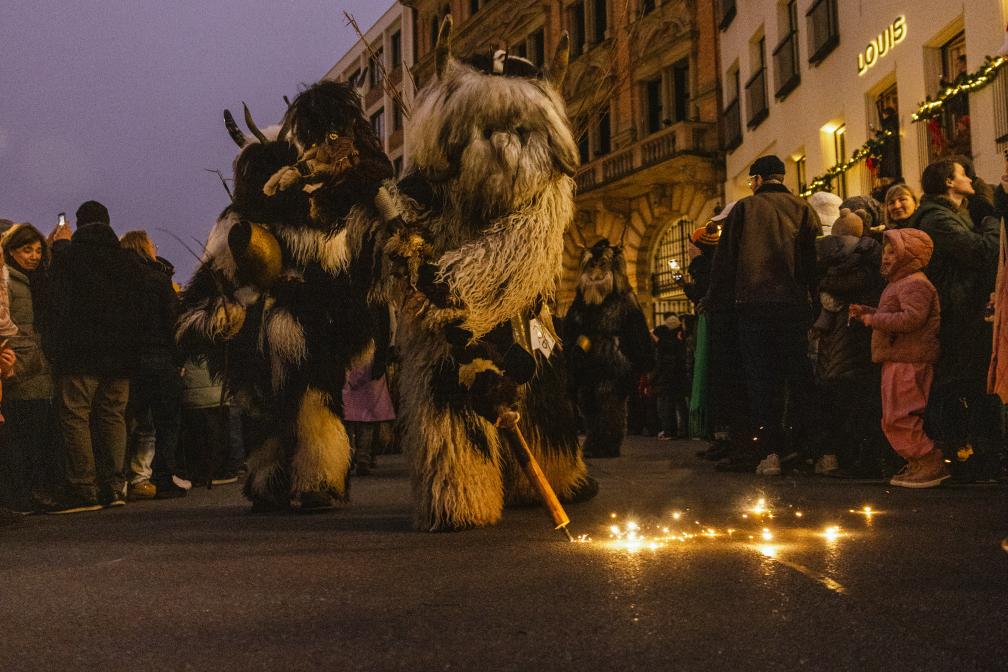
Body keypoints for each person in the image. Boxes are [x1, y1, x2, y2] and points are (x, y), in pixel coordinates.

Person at [704, 155, 820, 476]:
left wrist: (715, 302)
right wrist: (815, 305)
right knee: (798, 378)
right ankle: (809, 450)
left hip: (753, 307)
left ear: (756, 179)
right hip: (794, 307)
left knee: (761, 382)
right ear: (782, 178)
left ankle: (770, 451)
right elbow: (812, 264)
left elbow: (725, 262)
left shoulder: (745, 209)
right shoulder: (804, 209)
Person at [44, 201, 141, 513]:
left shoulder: (69, 255)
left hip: (80, 351)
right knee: (114, 416)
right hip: (121, 353)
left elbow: (57, 303)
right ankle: (116, 486)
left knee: (76, 416)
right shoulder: (126, 259)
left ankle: (83, 486)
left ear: (77, 223)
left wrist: (59, 247)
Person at [910, 159, 1000, 480]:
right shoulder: (936, 218)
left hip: (964, 310)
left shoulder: (952, 214)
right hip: (955, 312)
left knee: (968, 383)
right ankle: (957, 459)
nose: (969, 178)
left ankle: (971, 457)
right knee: (958, 384)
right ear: (949, 181)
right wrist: (990, 219)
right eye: (963, 173)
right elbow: (979, 251)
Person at [849, 228, 947, 488]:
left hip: (909, 359)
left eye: (894, 252)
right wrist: (867, 312)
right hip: (897, 357)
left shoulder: (915, 283)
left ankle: (928, 460)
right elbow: (895, 313)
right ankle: (917, 462)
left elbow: (912, 319)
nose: (886, 257)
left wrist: (874, 319)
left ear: (910, 255)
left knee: (901, 415)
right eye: (886, 251)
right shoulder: (900, 283)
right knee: (894, 415)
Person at [809, 210, 888, 477]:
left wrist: (828, 286)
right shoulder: (872, 255)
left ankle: (850, 457)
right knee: (859, 398)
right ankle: (860, 458)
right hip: (857, 334)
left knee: (843, 398)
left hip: (843, 335)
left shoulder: (829, 262)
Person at [120, 230, 186, 499]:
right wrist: (178, 358)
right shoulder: (158, 280)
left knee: (131, 421)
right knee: (167, 421)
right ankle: (162, 477)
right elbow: (174, 321)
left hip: (128, 360)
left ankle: (127, 478)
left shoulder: (117, 280)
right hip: (159, 357)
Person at [0, 224, 59, 512]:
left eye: (37, 250)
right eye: (27, 250)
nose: (34, 256)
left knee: (34, 435)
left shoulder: (35, 280)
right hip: (18, 367)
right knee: (20, 436)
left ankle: (28, 493)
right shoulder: (10, 282)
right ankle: (19, 496)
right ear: (10, 251)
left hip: (37, 367)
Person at [650, 315, 689, 439]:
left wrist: (654, 377)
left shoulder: (664, 345)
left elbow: (660, 362)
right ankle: (684, 430)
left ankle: (669, 430)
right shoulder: (680, 340)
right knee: (680, 404)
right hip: (679, 376)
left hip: (668, 377)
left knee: (667, 404)